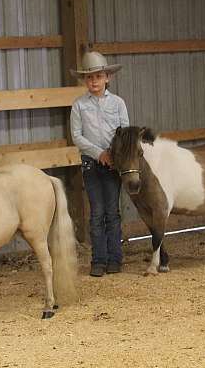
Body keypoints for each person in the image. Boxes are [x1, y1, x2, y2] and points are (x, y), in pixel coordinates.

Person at [69, 51, 129, 277]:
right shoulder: (79, 106)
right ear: (85, 80)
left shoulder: (118, 103)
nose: (93, 81)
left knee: (112, 212)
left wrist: (112, 154)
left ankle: (115, 259)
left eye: (98, 76)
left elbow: (124, 133)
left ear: (107, 78)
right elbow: (77, 137)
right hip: (91, 164)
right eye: (89, 77)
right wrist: (99, 153)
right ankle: (98, 260)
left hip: (113, 163)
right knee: (96, 212)